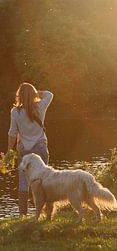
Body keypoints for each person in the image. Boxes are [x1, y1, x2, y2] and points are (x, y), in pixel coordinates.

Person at [7, 83, 53, 217]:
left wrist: (10, 150)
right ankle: (46, 212)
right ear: (33, 94)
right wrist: (35, 93)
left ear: (19, 96)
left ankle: (23, 214)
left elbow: (12, 133)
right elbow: (50, 94)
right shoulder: (41, 106)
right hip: (41, 147)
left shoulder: (15, 112)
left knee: (23, 182)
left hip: (24, 151)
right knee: (44, 180)